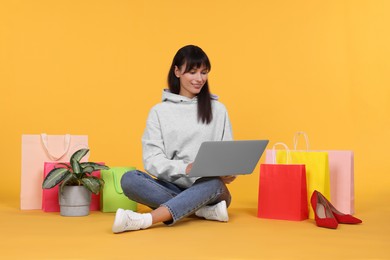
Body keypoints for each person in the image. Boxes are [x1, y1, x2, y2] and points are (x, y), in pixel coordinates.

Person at [112, 45, 235, 233]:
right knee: (129, 180)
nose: (199, 79)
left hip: (211, 189)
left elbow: (227, 155)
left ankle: (146, 220)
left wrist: (229, 171)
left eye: (204, 72)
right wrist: (184, 168)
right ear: (177, 71)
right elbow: (152, 160)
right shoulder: (159, 112)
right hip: (171, 186)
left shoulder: (218, 110)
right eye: (192, 72)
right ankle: (201, 210)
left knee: (214, 183)